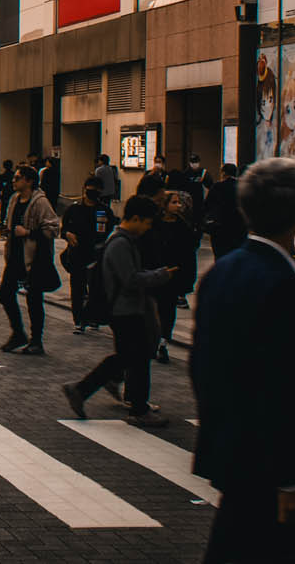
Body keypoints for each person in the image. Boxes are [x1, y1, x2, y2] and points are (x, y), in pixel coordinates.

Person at [192, 157, 295, 563]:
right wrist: (289, 479)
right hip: (269, 470)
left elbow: (202, 368)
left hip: (232, 455)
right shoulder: (281, 282)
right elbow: (287, 386)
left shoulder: (221, 272)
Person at [62, 194, 174, 427]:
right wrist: (160, 275)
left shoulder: (124, 240)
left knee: (129, 357)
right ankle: (133, 406)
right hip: (124, 310)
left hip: (126, 308)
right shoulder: (120, 243)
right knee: (134, 357)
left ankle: (84, 390)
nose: (147, 228)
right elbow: (131, 279)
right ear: (135, 218)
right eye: (146, 222)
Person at [0, 164, 61, 356]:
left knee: (34, 299)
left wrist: (28, 232)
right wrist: (7, 231)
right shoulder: (15, 199)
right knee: (5, 294)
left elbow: (53, 229)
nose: (14, 181)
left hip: (34, 258)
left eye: (18, 178)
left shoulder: (40, 202)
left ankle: (36, 340)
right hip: (15, 255)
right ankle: (18, 333)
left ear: (29, 181)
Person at [60, 176, 115, 332]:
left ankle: (93, 317)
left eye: (96, 189)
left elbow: (111, 232)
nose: (92, 192)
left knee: (95, 290)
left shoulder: (105, 211)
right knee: (77, 289)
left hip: (97, 256)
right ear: (84, 189)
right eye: (90, 188)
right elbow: (63, 230)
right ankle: (79, 320)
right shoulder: (74, 209)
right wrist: (67, 234)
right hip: (77, 254)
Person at [150, 185, 197, 364]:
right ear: (165, 204)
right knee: (154, 309)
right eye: (174, 202)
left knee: (168, 311)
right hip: (154, 274)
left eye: (179, 203)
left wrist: (186, 281)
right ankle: (153, 340)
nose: (178, 206)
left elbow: (188, 255)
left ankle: (163, 342)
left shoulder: (182, 226)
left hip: (173, 276)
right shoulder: (154, 224)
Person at [205, 162, 247, 259]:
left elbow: (207, 206)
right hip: (239, 229)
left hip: (220, 229)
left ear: (223, 173)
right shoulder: (242, 187)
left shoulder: (217, 187)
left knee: (221, 257)